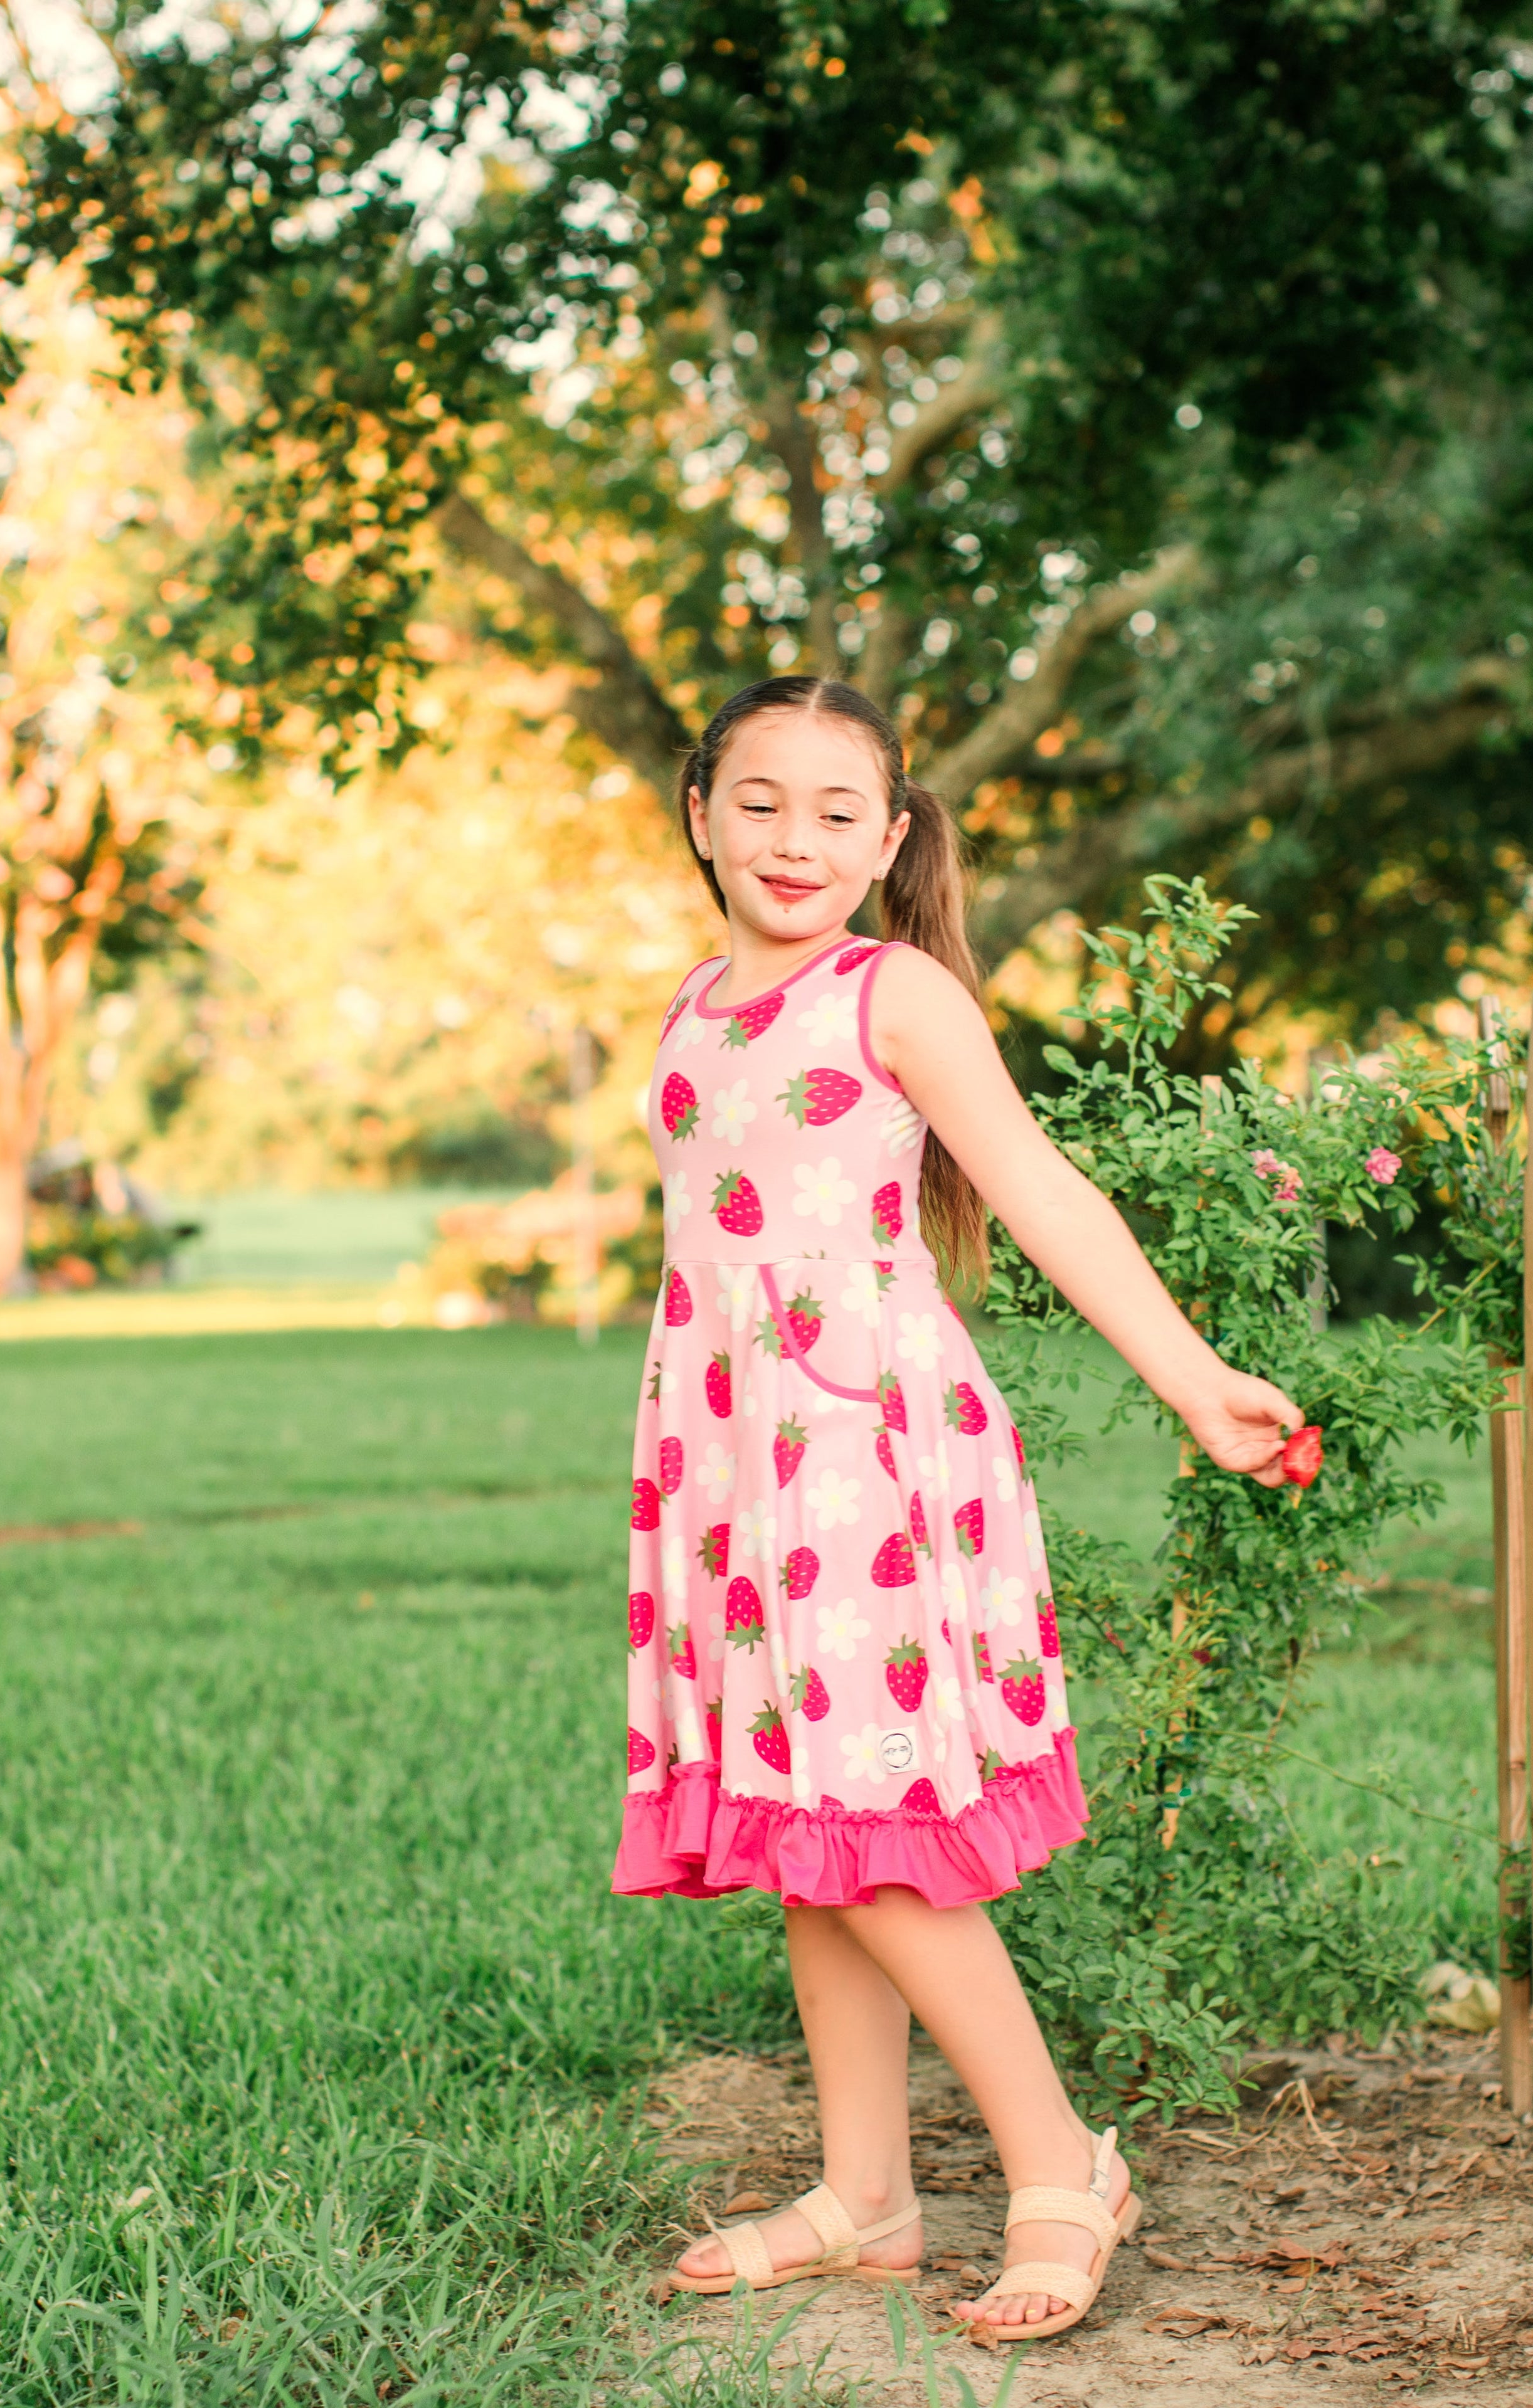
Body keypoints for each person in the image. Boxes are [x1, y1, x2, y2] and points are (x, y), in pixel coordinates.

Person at [616, 675, 1305, 2343]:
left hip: (862, 1451)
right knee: (806, 1827)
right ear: (700, 811)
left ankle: (1066, 2160)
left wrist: (1193, 1378)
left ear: (893, 838)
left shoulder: (893, 994)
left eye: (838, 812)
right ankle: (866, 2196)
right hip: (729, 1460)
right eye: (760, 801)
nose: (796, 839)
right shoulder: (695, 1008)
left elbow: (1037, 1188)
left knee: (877, 1839)